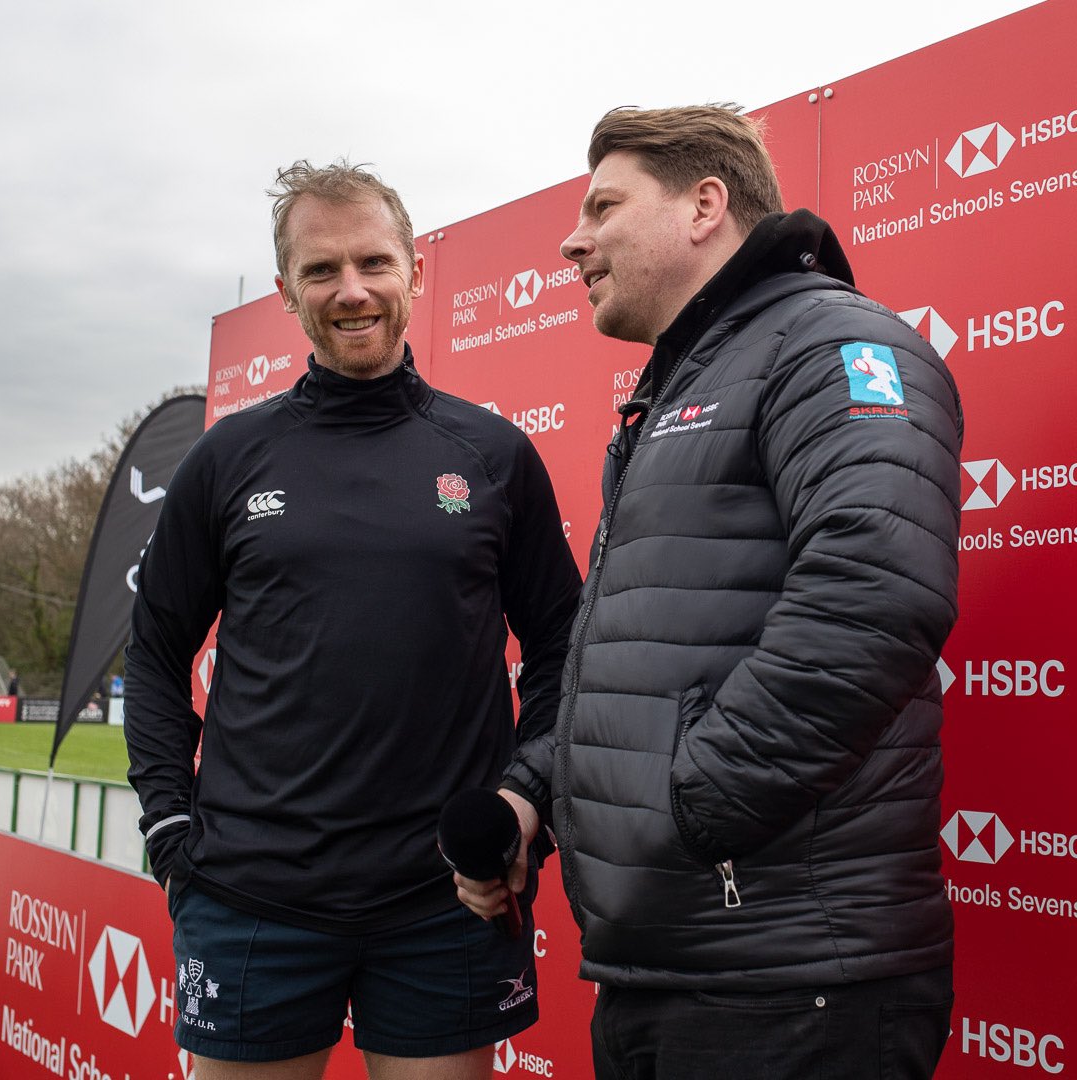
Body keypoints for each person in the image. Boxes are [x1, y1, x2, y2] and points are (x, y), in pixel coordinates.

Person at [456, 105, 962, 1079]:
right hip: (673, 967)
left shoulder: (830, 347)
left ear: (704, 205)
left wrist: (689, 814)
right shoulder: (680, 389)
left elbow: (878, 592)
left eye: (604, 205)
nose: (572, 240)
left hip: (787, 982)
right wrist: (534, 794)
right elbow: (644, 674)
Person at [124, 160, 581, 1080]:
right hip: (251, 894)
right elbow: (157, 651)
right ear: (289, 294)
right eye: (321, 270)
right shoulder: (228, 459)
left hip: (445, 899)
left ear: (415, 270)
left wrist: (526, 807)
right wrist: (169, 824)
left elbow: (564, 651)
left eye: (373, 261)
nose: (352, 290)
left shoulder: (492, 454)